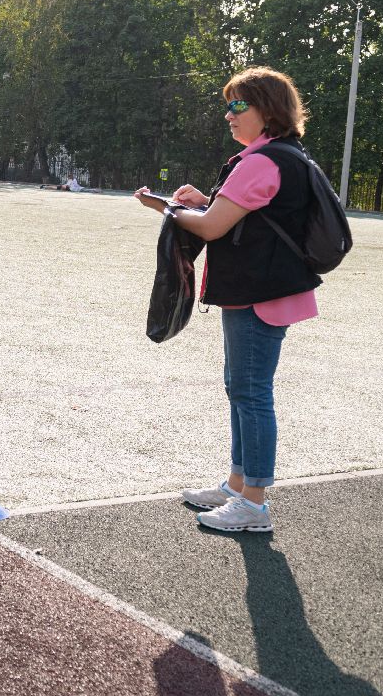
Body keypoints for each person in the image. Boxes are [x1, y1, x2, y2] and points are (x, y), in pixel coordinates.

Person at [134, 67, 321, 534]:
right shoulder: (282, 155)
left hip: (258, 294)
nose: (229, 115)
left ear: (267, 110)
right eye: (229, 105)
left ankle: (253, 503)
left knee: (251, 392)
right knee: (241, 387)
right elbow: (238, 216)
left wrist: (170, 208)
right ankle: (238, 486)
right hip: (260, 290)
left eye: (238, 105)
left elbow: (213, 226)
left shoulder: (262, 161)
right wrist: (197, 202)